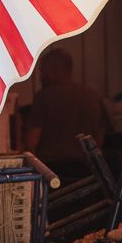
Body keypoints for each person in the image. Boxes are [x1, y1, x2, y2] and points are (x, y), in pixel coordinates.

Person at [23, 47, 109, 183]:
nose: (41, 77)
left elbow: (32, 140)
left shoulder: (44, 97)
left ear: (52, 71)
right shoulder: (92, 95)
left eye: (43, 72)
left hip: (52, 172)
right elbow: (100, 136)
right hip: (87, 172)